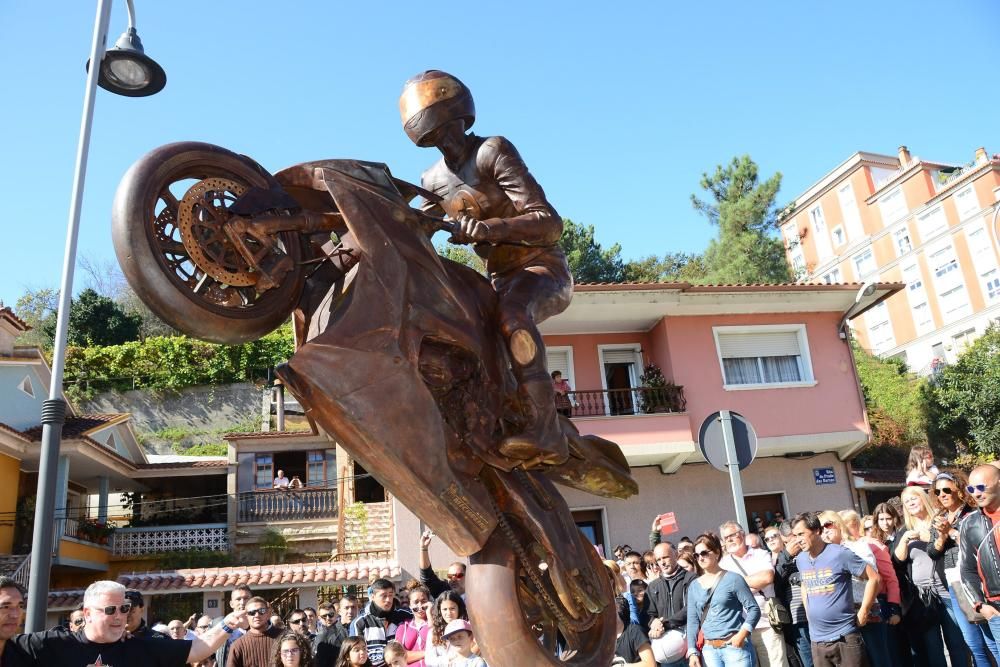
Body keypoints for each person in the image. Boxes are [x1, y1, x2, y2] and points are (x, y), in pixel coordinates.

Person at [401, 69, 572, 466]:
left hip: (541, 269)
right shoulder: (431, 179)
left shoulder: (493, 151)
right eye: (435, 136)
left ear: (462, 118)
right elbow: (415, 234)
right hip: (498, 282)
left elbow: (549, 222)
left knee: (512, 316)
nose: (446, 141)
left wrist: (491, 229)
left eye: (449, 130)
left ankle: (547, 428)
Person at [10, 580, 241, 665]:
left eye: (124, 608)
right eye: (110, 610)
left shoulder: (142, 645)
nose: (119, 616)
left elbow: (198, 649)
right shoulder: (51, 644)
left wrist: (228, 623)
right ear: (87, 613)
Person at [793, 512, 880, 667]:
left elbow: (874, 578)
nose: (798, 540)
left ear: (817, 531)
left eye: (801, 534)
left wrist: (864, 611)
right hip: (817, 641)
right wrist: (809, 612)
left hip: (845, 637)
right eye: (795, 535)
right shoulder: (801, 559)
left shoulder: (839, 553)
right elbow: (805, 584)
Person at [927, 470, 994, 666]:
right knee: (972, 642)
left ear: (959, 489)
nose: (942, 495)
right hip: (953, 583)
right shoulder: (939, 517)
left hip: (975, 580)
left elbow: (976, 543)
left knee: (990, 639)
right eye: (938, 492)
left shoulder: (972, 513)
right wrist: (941, 535)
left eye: (947, 489)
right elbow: (932, 552)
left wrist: (951, 531)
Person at [818, 511, 891, 666]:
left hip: (865, 609)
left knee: (879, 660)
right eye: (820, 527)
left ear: (838, 524)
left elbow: (874, 578)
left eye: (828, 525)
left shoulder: (857, 547)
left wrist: (864, 611)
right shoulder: (821, 557)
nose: (824, 530)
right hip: (840, 617)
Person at [894, 486, 952, 666]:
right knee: (932, 646)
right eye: (906, 501)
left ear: (923, 498)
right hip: (923, 597)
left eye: (914, 498)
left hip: (947, 592)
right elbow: (897, 560)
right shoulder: (905, 530)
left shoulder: (939, 520)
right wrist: (904, 540)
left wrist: (922, 535)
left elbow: (946, 544)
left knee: (956, 642)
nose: (911, 503)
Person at [685, 533, 759, 667]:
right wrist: (692, 651)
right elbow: (692, 621)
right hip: (709, 651)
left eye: (704, 553)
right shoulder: (694, 586)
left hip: (734, 647)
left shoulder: (733, 579)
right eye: (696, 555)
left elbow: (754, 609)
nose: (700, 558)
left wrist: (742, 634)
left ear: (717, 552)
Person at [718, 520, 785, 667]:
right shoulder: (722, 564)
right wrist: (753, 582)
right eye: (725, 538)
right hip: (740, 628)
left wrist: (736, 585)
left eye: (732, 535)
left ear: (742, 534)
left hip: (767, 624)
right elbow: (725, 593)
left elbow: (767, 577)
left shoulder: (760, 554)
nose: (729, 540)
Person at [960, 464, 1000, 663]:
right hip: (996, 608)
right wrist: (980, 605)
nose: (976, 493)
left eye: (981, 487)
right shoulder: (970, 522)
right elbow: (966, 568)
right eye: (971, 489)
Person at [646, 541, 697, 667]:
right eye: (658, 559)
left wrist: (665, 623)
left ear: (675, 554)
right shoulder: (653, 586)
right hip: (665, 651)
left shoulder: (692, 579)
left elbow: (691, 608)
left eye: (665, 557)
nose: (662, 562)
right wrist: (654, 623)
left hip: (690, 646)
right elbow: (649, 613)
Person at [771, 522, 811, 667]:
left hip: (819, 614)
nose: (794, 544)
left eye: (795, 539)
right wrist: (787, 555)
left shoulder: (810, 549)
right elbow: (776, 581)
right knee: (808, 662)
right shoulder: (781, 558)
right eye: (787, 542)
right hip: (797, 619)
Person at [349, 579, 412, 667]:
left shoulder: (405, 616)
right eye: (383, 596)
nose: (388, 600)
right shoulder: (360, 623)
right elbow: (357, 659)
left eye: (390, 595)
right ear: (373, 596)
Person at [227, 596, 284, 667]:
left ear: (268, 614)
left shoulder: (284, 637)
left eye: (261, 611)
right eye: (252, 612)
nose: (257, 615)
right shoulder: (238, 645)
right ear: (246, 616)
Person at [417, 530, 466, 599]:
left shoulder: (477, 595)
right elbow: (427, 576)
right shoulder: (443, 593)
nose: (453, 579)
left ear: (468, 577)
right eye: (450, 576)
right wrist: (423, 548)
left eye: (458, 575)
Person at [424, 591, 466, 667]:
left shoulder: (467, 629)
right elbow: (429, 660)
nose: (448, 613)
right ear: (440, 611)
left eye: (452, 608)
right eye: (445, 609)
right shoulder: (433, 633)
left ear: (459, 608)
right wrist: (448, 660)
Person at [217, 585, 255, 667]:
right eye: (238, 599)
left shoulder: (263, 627)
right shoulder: (221, 629)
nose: (242, 602)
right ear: (231, 604)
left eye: (246, 598)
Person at [315, 597, 357, 667]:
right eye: (346, 608)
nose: (350, 611)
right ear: (339, 611)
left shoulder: (363, 628)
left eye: (353, 607)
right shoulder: (325, 634)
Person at [395, 585, 431, 666]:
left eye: (424, 601)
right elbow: (399, 656)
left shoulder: (436, 623)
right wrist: (427, 653)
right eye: (416, 602)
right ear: (410, 605)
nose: (420, 605)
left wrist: (430, 616)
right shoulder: (403, 627)